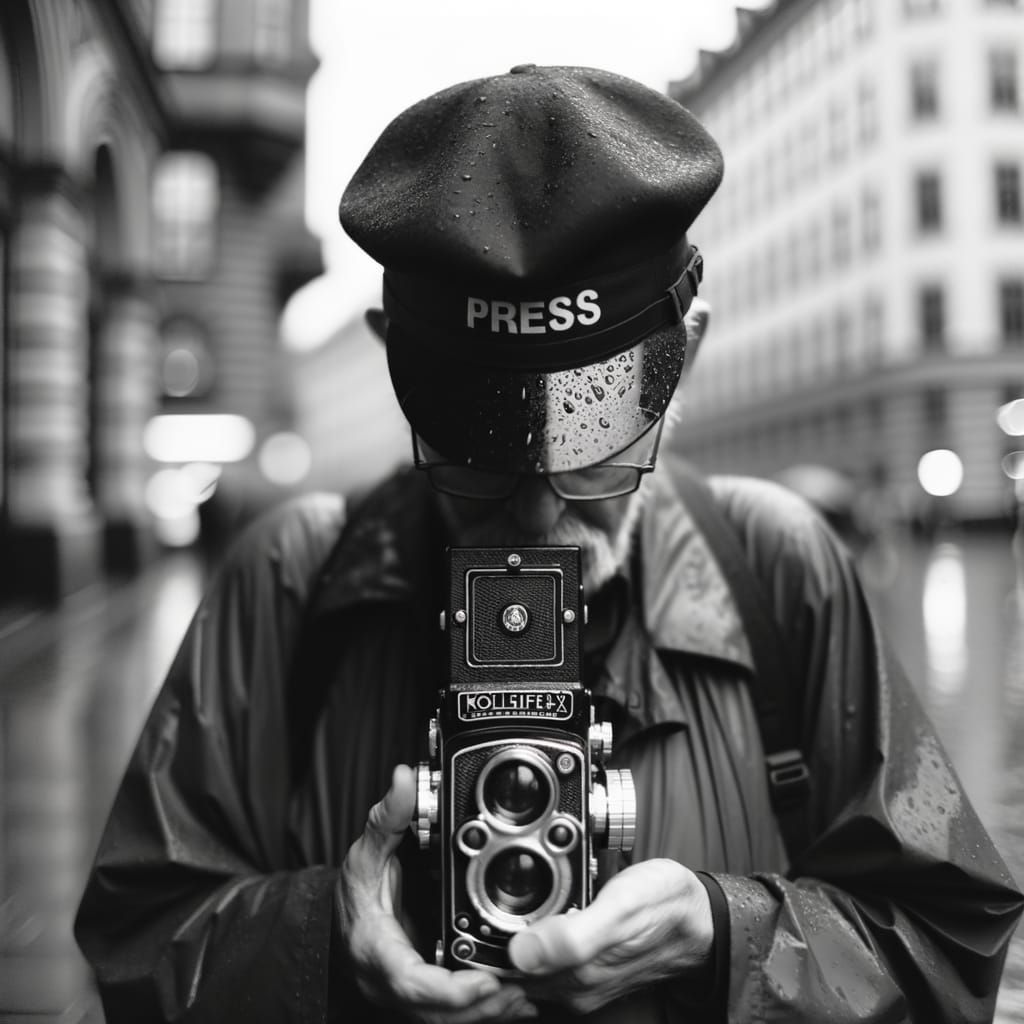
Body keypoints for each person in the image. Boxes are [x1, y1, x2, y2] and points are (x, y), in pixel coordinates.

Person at [75, 65, 1023, 1024]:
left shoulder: (779, 567)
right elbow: (140, 936)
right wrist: (326, 942)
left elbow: (947, 943)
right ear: (399, 372)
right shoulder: (292, 578)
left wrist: (719, 934)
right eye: (477, 457)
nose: (535, 517)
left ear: (683, 355)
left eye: (592, 453)